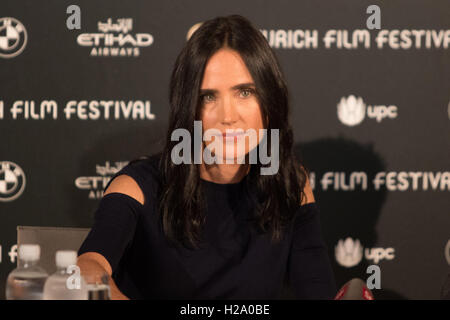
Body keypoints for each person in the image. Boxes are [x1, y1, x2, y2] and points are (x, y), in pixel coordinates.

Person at [77, 14, 337, 300]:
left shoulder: (290, 184)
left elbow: (318, 291)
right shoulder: (138, 186)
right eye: (208, 97)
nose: (228, 117)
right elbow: (88, 270)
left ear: (270, 100)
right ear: (188, 108)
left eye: (245, 92)